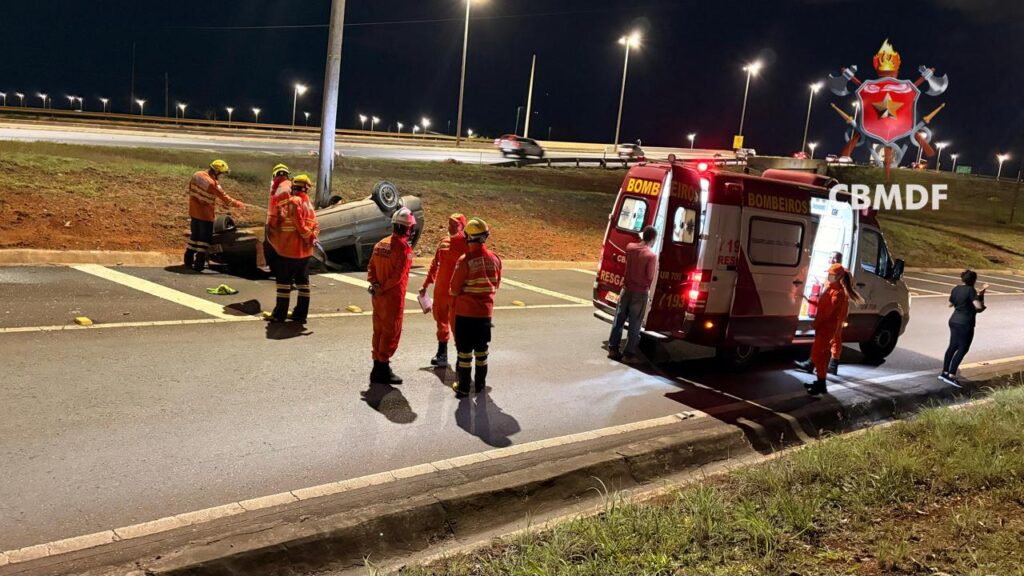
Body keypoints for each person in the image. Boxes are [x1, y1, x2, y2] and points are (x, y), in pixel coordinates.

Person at [449, 218, 502, 398]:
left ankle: (463, 387)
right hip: (485, 315)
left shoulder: (465, 260)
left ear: (469, 237)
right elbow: (497, 283)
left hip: (465, 314)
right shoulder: (495, 259)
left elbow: (454, 289)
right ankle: (480, 384)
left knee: (464, 353)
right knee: (482, 352)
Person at [796, 263, 864, 395]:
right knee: (819, 355)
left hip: (826, 329)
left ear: (838, 276)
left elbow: (827, 313)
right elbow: (823, 305)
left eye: (831, 274)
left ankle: (820, 382)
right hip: (823, 328)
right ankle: (820, 382)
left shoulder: (837, 293)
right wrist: (808, 301)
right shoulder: (831, 289)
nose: (829, 276)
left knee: (818, 354)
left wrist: (813, 325)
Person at [367, 207, 416, 385]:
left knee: (378, 330)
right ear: (408, 229)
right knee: (391, 332)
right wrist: (383, 288)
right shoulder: (404, 249)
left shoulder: (381, 244)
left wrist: (375, 285)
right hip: (392, 297)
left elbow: (371, 267)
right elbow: (398, 276)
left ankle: (376, 366)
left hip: (378, 297)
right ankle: (382, 368)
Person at [266, 174, 319, 323]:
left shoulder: (294, 201)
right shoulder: (309, 204)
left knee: (283, 283)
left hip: (289, 250)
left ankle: (279, 314)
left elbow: (298, 223)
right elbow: (316, 225)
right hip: (305, 252)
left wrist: (307, 236)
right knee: (303, 283)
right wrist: (312, 237)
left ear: (294, 186)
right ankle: (300, 315)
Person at [419, 213, 468, 368]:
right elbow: (435, 264)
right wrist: (425, 284)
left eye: (455, 225)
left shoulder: (467, 245)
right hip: (440, 291)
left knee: (456, 325)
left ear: (463, 227)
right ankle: (442, 354)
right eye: (449, 224)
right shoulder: (443, 242)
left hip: (456, 292)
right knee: (441, 322)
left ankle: (462, 357)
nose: (450, 227)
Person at [607, 225, 658, 363]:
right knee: (635, 324)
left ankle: (613, 349)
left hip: (626, 290)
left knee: (619, 320)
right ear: (653, 239)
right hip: (640, 293)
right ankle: (628, 354)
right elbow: (650, 276)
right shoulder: (651, 256)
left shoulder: (630, 247)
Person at [184, 160, 245, 272]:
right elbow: (224, 197)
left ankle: (187, 260)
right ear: (216, 172)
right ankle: (199, 264)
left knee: (194, 237)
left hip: (193, 211)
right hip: (205, 215)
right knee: (204, 240)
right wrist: (237, 203)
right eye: (221, 173)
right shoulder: (212, 183)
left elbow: (190, 189)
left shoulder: (197, 175)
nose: (221, 175)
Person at [940, 270, 988, 387]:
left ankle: (944, 372)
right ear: (974, 280)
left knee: (952, 346)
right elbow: (978, 307)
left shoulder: (956, 288)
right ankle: (951, 375)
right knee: (963, 348)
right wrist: (981, 296)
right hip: (965, 323)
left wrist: (975, 296)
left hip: (954, 320)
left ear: (963, 279)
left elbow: (951, 304)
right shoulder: (971, 290)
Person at [262, 164, 291, 272]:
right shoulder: (289, 185)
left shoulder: (279, 188)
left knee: (271, 246)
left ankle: (277, 269)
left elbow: (279, 209)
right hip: (284, 222)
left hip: (277, 222)